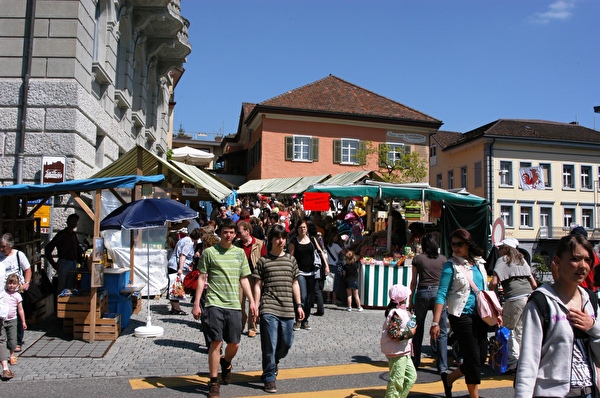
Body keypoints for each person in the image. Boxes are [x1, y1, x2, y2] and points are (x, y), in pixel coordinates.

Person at [515, 234, 600, 397]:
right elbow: (529, 360)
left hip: (589, 392)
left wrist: (594, 329)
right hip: (553, 393)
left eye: (587, 260)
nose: (582, 266)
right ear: (558, 262)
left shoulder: (591, 301)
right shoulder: (541, 302)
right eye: (575, 259)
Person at [192, 218, 257, 398]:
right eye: (225, 232)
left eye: (231, 232)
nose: (228, 235)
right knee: (216, 341)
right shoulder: (209, 253)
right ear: (219, 233)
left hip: (234, 304)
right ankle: (214, 383)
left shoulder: (239, 254)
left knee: (234, 342)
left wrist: (251, 301)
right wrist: (197, 303)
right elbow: (201, 278)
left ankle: (226, 362)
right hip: (214, 303)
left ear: (235, 234)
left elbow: (244, 278)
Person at [431, 228, 498, 398]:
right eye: (453, 244)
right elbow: (441, 294)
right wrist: (435, 322)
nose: (455, 247)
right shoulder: (450, 266)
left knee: (481, 357)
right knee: (473, 359)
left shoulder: (479, 263)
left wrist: (496, 313)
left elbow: (484, 289)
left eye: (459, 244)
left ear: (468, 244)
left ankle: (449, 378)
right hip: (461, 316)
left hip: (481, 316)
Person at [252, 224, 305, 393]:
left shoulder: (291, 260)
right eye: (277, 237)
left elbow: (295, 283)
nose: (281, 241)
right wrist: (255, 304)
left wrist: (299, 305)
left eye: (283, 237)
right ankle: (269, 377)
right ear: (271, 239)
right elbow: (258, 285)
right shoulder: (263, 261)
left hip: (288, 308)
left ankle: (273, 362)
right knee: (270, 344)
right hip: (269, 307)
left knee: (287, 343)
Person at [488, 237, 536, 373]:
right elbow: (534, 284)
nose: (499, 250)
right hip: (528, 298)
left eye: (501, 248)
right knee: (521, 330)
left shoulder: (502, 261)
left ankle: (513, 363)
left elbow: (494, 282)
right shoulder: (522, 260)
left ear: (507, 249)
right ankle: (523, 361)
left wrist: (492, 293)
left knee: (509, 330)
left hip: (514, 299)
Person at [408, 232, 448, 374]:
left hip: (423, 293)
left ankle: (415, 361)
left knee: (418, 328)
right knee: (442, 330)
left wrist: (410, 300)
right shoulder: (443, 260)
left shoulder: (418, 259)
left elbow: (414, 281)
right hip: (439, 295)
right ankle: (443, 366)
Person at [380, 283, 417, 398]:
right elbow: (394, 333)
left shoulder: (402, 311)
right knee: (396, 381)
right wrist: (410, 333)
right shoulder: (396, 313)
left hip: (403, 351)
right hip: (396, 352)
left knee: (411, 377)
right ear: (403, 298)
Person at [0, 233, 32, 353]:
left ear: (10, 245)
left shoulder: (19, 255)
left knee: (17, 315)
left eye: (3, 247)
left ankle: (17, 341)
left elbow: (27, 269)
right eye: (0, 246)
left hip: (16, 290)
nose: (1, 249)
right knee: (3, 315)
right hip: (3, 290)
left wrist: (27, 282)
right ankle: (4, 339)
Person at [235, 221, 266, 338]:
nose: (238, 235)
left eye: (239, 232)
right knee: (239, 302)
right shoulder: (236, 244)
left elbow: (264, 259)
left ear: (247, 231)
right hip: (240, 276)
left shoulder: (259, 243)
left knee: (253, 302)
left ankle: (252, 327)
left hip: (254, 275)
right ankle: (240, 324)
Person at [288, 219, 319, 330]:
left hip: (311, 271)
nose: (302, 229)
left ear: (307, 228)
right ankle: (298, 319)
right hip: (299, 271)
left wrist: (326, 265)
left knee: (310, 298)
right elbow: (291, 257)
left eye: (304, 227)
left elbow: (319, 251)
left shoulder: (311, 239)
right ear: (297, 229)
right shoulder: (294, 241)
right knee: (303, 296)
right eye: (300, 227)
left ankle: (305, 320)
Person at [45, 213, 83, 294]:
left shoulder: (74, 235)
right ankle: (60, 305)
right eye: (73, 221)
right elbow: (48, 248)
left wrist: (81, 262)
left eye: (76, 222)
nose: (74, 223)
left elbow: (77, 250)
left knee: (71, 288)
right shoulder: (62, 234)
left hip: (73, 263)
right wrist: (53, 263)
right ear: (68, 222)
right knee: (62, 288)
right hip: (64, 263)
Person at [167, 228, 201, 315]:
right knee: (176, 286)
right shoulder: (189, 243)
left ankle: (174, 307)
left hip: (173, 264)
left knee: (174, 286)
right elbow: (183, 255)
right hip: (177, 266)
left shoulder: (184, 239)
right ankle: (176, 308)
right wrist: (180, 269)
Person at [2, 274, 26, 366]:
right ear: (6, 284)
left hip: (13, 320)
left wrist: (23, 321)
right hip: (3, 320)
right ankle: (3, 357)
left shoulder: (17, 296)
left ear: (17, 285)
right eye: (9, 283)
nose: (11, 285)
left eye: (14, 283)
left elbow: (20, 309)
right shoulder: (3, 294)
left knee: (12, 340)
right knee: (2, 340)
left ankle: (12, 355)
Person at [307, 221, 328, 316]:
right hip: (317, 266)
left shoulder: (311, 239)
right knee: (315, 287)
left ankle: (320, 309)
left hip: (314, 267)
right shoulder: (317, 238)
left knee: (316, 288)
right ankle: (313, 305)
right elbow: (322, 250)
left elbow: (320, 251)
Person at [325, 228, 344, 305]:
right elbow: (343, 252)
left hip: (327, 265)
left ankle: (328, 298)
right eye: (336, 237)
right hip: (333, 265)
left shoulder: (327, 245)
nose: (337, 238)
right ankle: (334, 299)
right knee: (335, 283)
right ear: (333, 237)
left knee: (328, 282)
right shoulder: (335, 245)